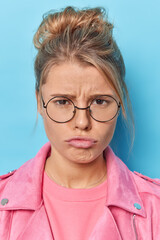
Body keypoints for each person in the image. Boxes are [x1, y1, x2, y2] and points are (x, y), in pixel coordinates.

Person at [0, 6, 160, 240]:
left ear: (120, 102)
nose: (83, 122)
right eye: (63, 102)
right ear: (39, 102)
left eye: (99, 101)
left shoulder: (155, 209)